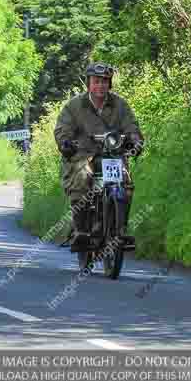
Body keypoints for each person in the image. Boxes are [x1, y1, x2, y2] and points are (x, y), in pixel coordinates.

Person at [54, 62, 144, 252]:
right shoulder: (74, 106)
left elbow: (132, 127)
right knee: (81, 178)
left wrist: (136, 141)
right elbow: (62, 129)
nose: (100, 86)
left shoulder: (120, 105)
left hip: (112, 155)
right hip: (83, 155)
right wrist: (66, 143)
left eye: (104, 82)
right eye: (96, 81)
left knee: (126, 185)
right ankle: (81, 231)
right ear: (89, 83)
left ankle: (120, 230)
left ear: (109, 84)